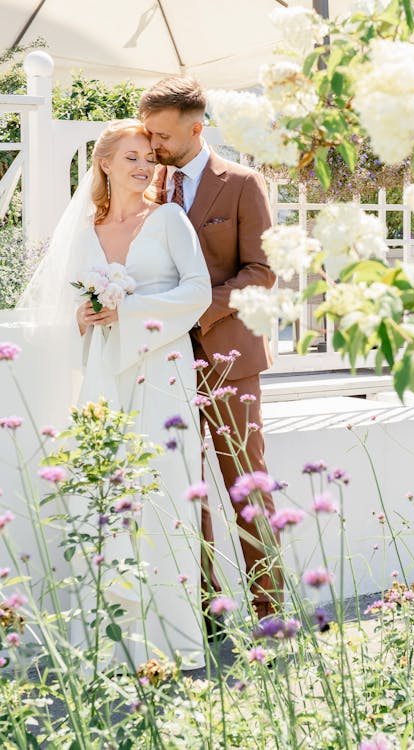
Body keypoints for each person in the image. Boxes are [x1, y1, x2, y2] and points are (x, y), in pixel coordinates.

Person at [20, 119, 212, 670]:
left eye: (148, 157)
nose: (144, 165)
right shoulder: (83, 232)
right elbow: (63, 311)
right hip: (106, 372)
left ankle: (173, 640)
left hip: (162, 368)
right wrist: (84, 314)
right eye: (131, 156)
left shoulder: (170, 218)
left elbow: (196, 291)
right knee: (107, 490)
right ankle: (110, 646)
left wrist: (130, 310)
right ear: (104, 163)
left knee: (165, 490)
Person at [138, 78, 283, 624]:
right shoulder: (146, 184)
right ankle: (206, 613)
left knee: (245, 484)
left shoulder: (243, 184)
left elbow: (262, 273)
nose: (153, 146)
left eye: (163, 135)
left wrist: (195, 306)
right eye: (148, 134)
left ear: (197, 129)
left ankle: (269, 611)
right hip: (164, 361)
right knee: (183, 488)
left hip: (231, 361)